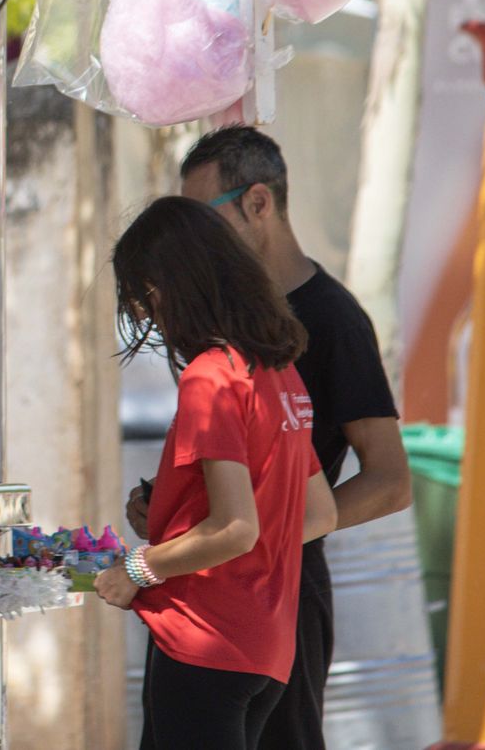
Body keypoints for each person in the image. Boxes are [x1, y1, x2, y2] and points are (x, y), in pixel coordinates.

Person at [146, 124, 412, 750]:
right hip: (206, 602)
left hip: (279, 595)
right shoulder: (225, 328)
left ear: (259, 203)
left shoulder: (331, 318)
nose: (199, 243)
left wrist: (254, 532)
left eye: (206, 219)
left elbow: (390, 481)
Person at [95, 196, 337, 750]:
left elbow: (235, 529)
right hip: (266, 649)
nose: (148, 321)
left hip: (203, 641)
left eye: (145, 305)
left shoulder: (211, 376)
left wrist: (138, 567)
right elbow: (316, 512)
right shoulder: (279, 372)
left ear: (168, 289)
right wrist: (175, 513)